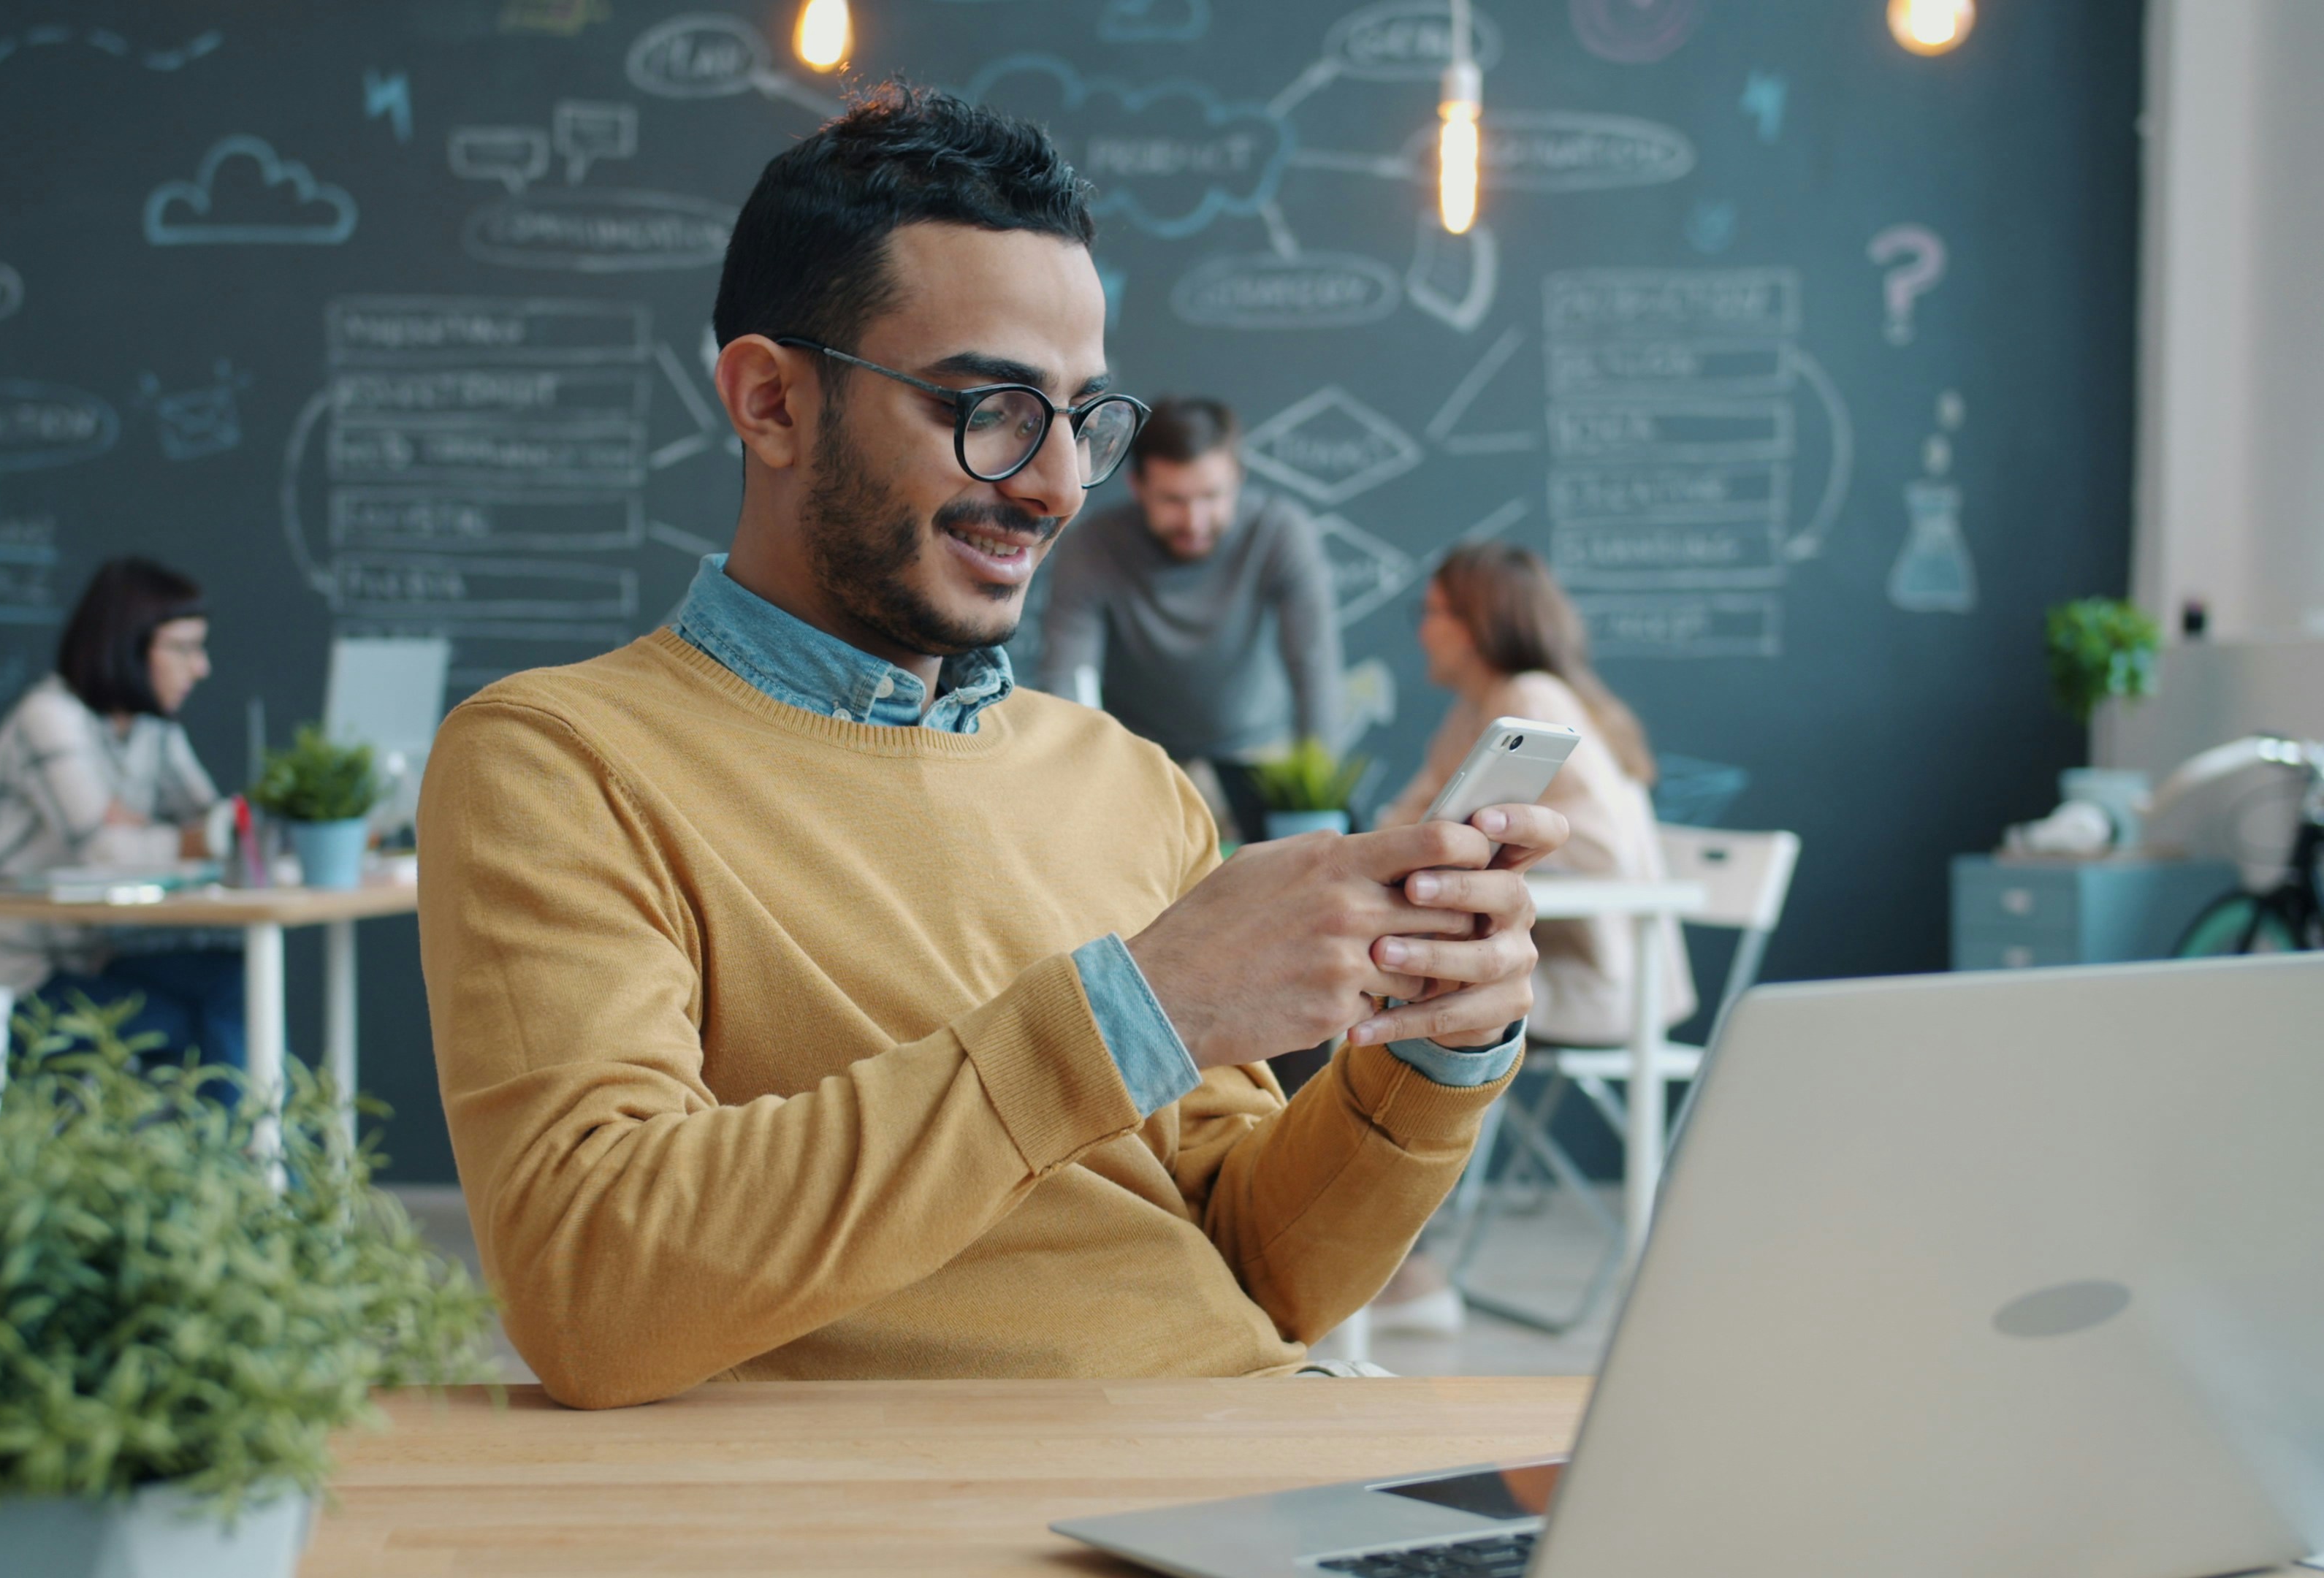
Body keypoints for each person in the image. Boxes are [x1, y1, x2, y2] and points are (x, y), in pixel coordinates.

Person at [419, 81, 1568, 1409]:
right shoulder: (558, 762)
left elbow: (1260, 1265)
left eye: (1082, 415)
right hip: (940, 1509)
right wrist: (1132, 1011)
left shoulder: (1124, 783)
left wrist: (1432, 1057)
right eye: (992, 409)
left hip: (1242, 1457)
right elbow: (592, 1289)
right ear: (771, 402)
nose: (1059, 485)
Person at [1363, 541, 1698, 1335]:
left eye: (1433, 612)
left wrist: (1490, 855)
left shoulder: (1530, 699)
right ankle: (1398, 1264)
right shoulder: (1475, 713)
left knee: (1365, 1006)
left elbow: (1607, 855)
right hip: (1536, 974)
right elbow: (1401, 826)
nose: (1422, 632)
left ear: (1476, 623)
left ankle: (1398, 1267)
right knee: (1364, 989)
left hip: (1594, 985)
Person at [0, 557, 245, 1077]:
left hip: (92, 962)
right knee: (191, 1021)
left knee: (233, 983)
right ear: (129, 644)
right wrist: (185, 837)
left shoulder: (154, 732)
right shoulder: (50, 717)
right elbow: (107, 848)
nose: (201, 667)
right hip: (16, 982)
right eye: (185, 648)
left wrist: (164, 831)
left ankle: (240, 1153)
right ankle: (236, 1152)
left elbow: (221, 829)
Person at [1033, 397, 1343, 842]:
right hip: (1142, 758)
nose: (1195, 521)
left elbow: (1314, 670)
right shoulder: (1094, 546)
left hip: (1258, 755)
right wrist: (1087, 786)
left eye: (1212, 497)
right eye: (1174, 500)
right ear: (1137, 486)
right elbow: (1068, 678)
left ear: (1238, 479)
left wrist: (1317, 795)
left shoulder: (1280, 532)